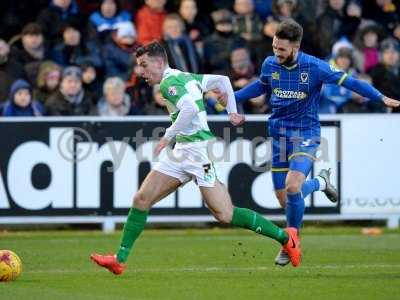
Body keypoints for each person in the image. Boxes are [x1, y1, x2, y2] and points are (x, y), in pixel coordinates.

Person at [90, 42, 302, 275]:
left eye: (144, 65)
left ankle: (286, 238)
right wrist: (231, 111)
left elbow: (190, 108)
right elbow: (223, 81)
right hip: (182, 150)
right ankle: (119, 260)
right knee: (142, 199)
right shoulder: (186, 76)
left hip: (198, 151)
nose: (140, 72)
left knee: (225, 214)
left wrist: (167, 136)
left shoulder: (170, 83)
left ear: (159, 62)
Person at [220, 19, 400, 267]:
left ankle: (290, 242)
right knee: (286, 197)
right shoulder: (270, 63)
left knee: (293, 187)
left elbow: (352, 82)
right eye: (274, 47)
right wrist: (231, 97)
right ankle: (320, 183)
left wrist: (381, 97)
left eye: (281, 49)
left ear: (296, 47)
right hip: (279, 136)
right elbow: (260, 87)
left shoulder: (316, 67)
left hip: (306, 134)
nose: (276, 53)